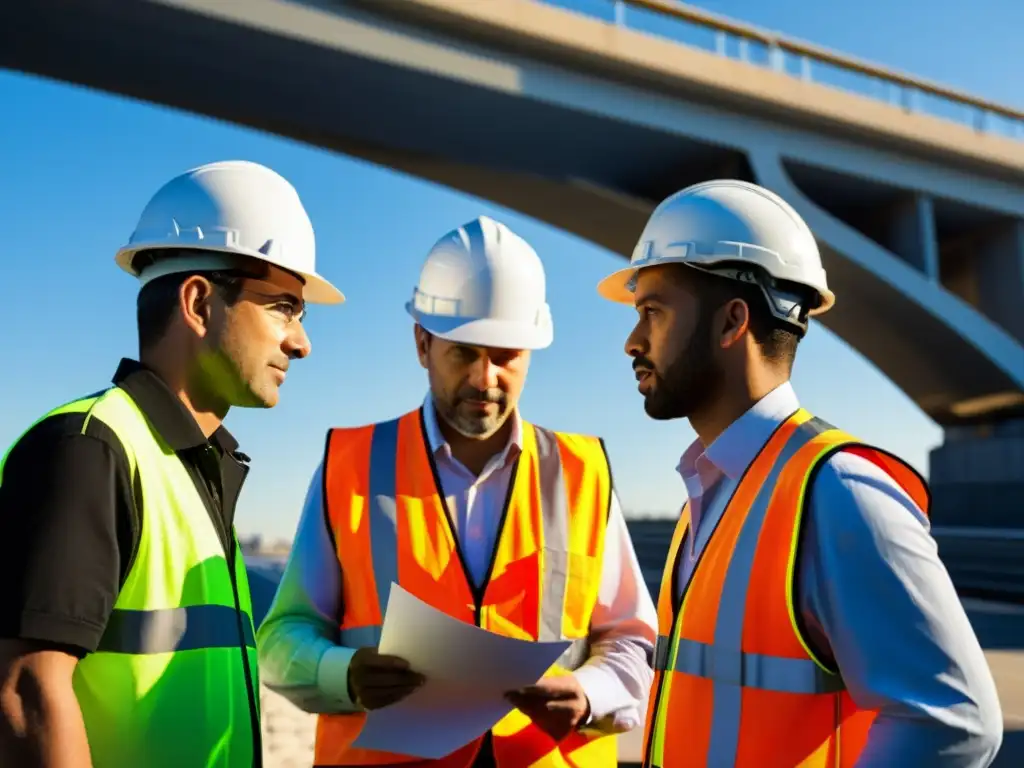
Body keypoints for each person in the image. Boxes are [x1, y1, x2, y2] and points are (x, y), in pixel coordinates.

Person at [597, 179, 1004, 767]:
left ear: (732, 322)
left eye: (652, 312)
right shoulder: (711, 494)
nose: (633, 341)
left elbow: (956, 720)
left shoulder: (837, 493)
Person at [257, 215, 657, 767]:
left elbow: (632, 642)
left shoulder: (582, 473)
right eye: (464, 352)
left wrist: (591, 694)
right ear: (422, 343)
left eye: (506, 355)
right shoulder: (351, 466)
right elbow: (282, 641)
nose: (486, 377)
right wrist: (342, 674)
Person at [0, 160, 343, 768]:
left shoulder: (196, 468)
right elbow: (27, 693)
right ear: (198, 302)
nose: (301, 342)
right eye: (283, 307)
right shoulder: (88, 449)